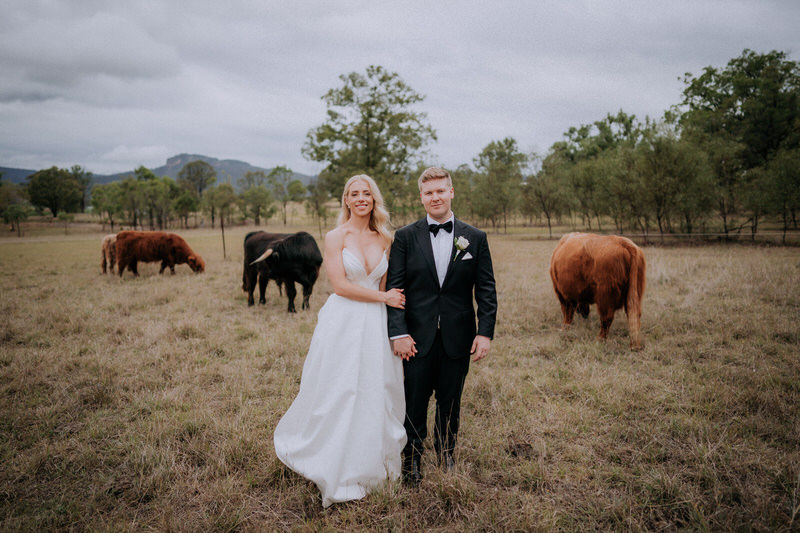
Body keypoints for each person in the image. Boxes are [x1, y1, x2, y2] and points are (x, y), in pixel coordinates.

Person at [273, 174, 408, 507]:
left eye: (366, 193)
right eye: (354, 194)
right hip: (345, 320)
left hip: (376, 323)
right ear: (346, 200)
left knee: (376, 388)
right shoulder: (335, 237)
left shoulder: (386, 238)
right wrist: (384, 299)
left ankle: (373, 463)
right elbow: (340, 286)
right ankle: (330, 456)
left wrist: (393, 310)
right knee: (341, 387)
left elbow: (389, 286)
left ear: (374, 199)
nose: (361, 198)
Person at [386, 166, 497, 486]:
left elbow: (486, 289)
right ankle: (413, 460)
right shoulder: (405, 237)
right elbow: (396, 290)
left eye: (440, 191)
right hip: (415, 338)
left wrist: (485, 332)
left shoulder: (475, 238)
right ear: (421, 197)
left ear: (451, 192)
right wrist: (399, 332)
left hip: (458, 336)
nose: (435, 197)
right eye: (428, 192)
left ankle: (447, 454)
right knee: (415, 400)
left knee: (450, 400)